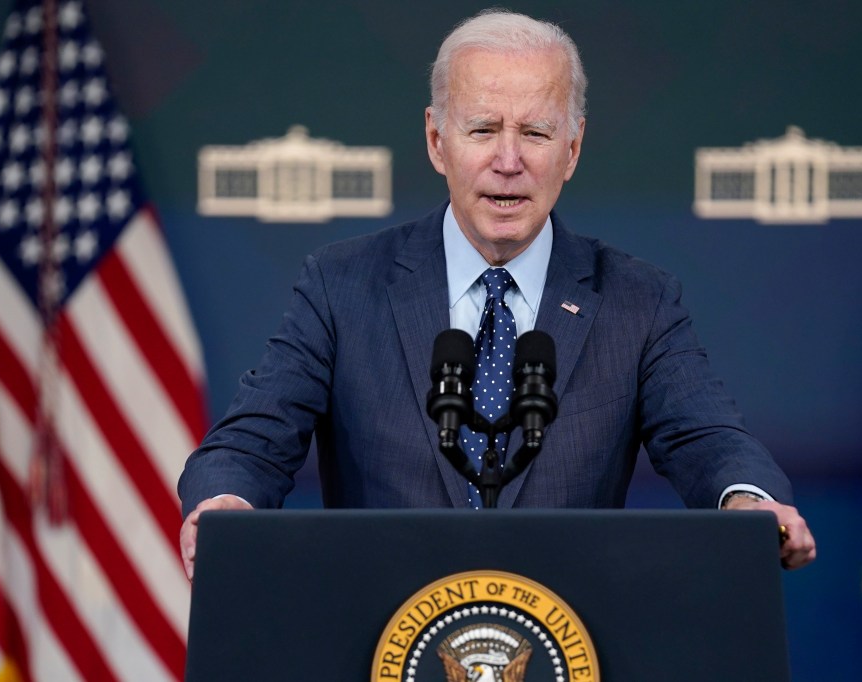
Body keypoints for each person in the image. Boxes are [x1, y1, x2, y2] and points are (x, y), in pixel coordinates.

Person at [178, 9, 816, 579]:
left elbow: (708, 438)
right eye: (483, 130)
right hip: (384, 641)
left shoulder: (636, 301)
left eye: (536, 133)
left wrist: (750, 500)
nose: (508, 161)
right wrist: (226, 506)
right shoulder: (341, 285)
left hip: (569, 643)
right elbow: (252, 442)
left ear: (572, 148)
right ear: (437, 141)